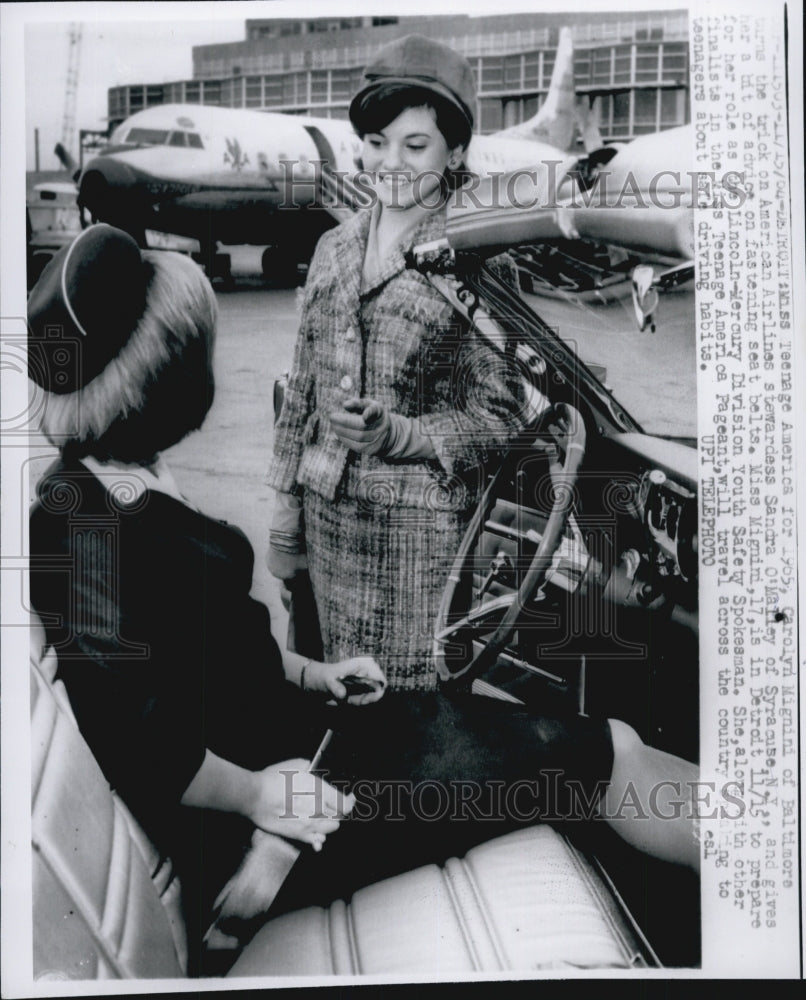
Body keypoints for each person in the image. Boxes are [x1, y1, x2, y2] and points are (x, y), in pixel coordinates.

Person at [28, 225, 699, 971]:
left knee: (588, 745)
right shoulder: (77, 519)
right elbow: (130, 725)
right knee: (609, 751)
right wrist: (257, 799)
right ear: (162, 381)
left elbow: (207, 647)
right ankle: (764, 874)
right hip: (290, 809)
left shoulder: (114, 477)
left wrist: (311, 674)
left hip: (310, 745)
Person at [267, 34, 530, 691]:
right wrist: (284, 510)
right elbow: (302, 389)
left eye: (416, 146)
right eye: (377, 142)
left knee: (414, 721)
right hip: (329, 525)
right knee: (336, 699)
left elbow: (500, 418)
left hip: (423, 542)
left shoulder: (478, 259)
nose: (391, 163)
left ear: (457, 150)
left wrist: (405, 435)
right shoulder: (334, 245)